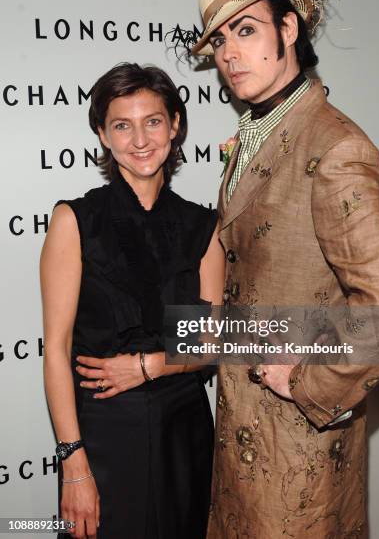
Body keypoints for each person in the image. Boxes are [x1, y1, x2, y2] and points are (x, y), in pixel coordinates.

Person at [187, 0, 379, 538]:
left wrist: (309, 383)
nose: (229, 54)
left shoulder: (336, 147)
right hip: (240, 430)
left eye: (246, 30)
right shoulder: (256, 136)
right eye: (219, 39)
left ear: (288, 29)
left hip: (299, 449)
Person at [41, 62, 224, 539]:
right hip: (104, 434)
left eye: (154, 121)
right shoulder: (76, 221)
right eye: (122, 125)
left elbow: (211, 341)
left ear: (175, 125)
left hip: (185, 432)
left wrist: (150, 365)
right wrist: (74, 464)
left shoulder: (201, 228)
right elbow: (57, 351)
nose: (140, 139)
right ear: (102, 134)